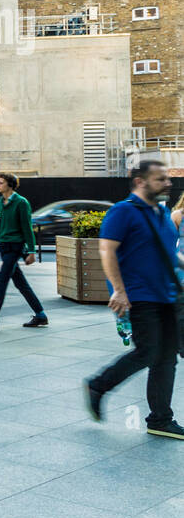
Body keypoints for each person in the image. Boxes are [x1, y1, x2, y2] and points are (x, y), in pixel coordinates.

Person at [85, 159, 184, 439]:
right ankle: (98, 385)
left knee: (166, 359)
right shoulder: (123, 212)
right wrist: (118, 289)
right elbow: (107, 250)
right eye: (160, 179)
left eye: (167, 178)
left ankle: (160, 419)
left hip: (167, 295)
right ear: (140, 181)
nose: (168, 183)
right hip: (139, 296)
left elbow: (169, 254)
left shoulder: (162, 215)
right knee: (148, 351)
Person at [0, 173, 47, 331]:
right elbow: (0, 227)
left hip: (15, 247)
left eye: (0, 183)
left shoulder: (21, 203)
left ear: (10, 185)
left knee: (0, 282)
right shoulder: (1, 201)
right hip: (5, 247)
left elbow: (27, 228)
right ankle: (40, 315)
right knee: (21, 284)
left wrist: (32, 251)